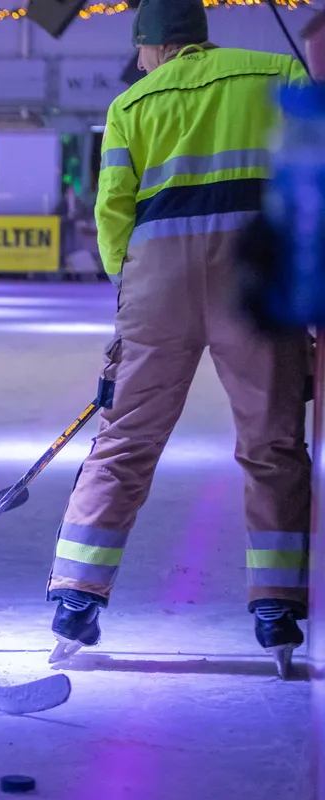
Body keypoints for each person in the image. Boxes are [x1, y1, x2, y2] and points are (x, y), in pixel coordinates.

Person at [45, 0, 311, 673]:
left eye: (140, 52)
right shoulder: (278, 72)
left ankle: (76, 599)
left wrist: (129, 285)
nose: (138, 63)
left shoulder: (132, 106)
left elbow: (112, 212)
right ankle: (275, 606)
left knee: (126, 439)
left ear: (153, 47)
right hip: (253, 275)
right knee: (271, 439)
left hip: (157, 279)